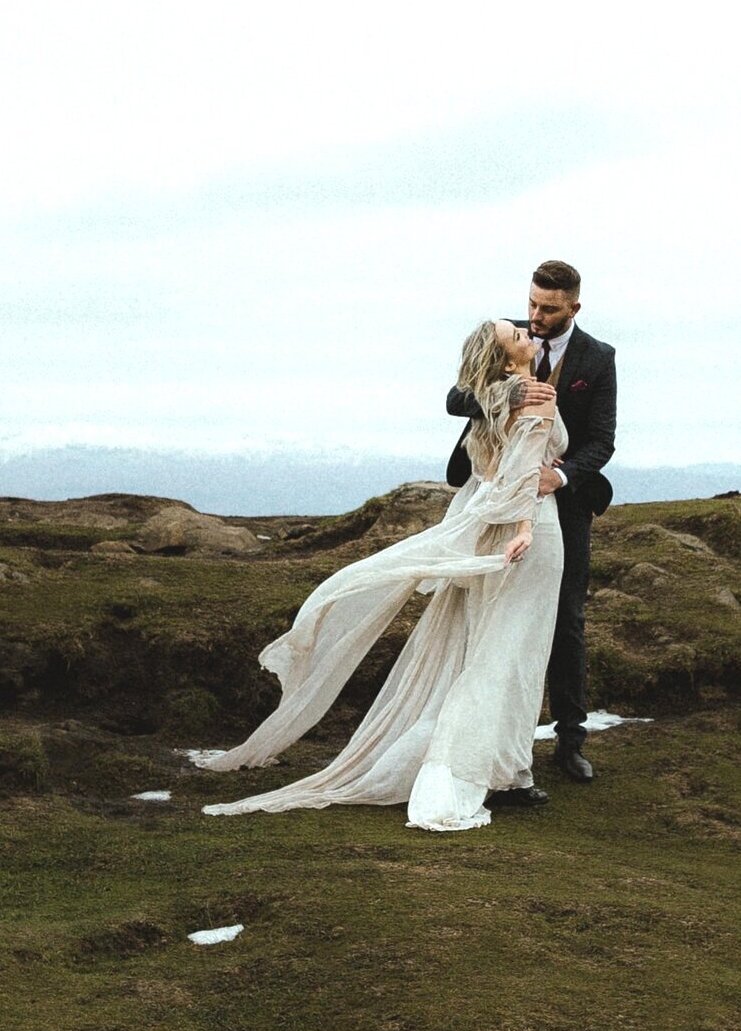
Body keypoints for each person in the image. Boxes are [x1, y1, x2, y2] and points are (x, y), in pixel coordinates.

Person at [187, 321, 565, 832]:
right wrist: (523, 527)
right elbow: (520, 480)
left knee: (492, 650)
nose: (524, 328)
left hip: (493, 532)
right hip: (532, 532)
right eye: (514, 332)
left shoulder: (492, 407)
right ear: (503, 361)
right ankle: (472, 772)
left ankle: (507, 767)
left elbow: (495, 471)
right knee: (509, 654)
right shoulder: (529, 397)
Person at [443, 258, 616, 782]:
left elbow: (601, 442)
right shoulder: (506, 338)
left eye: (549, 309)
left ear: (574, 308)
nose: (536, 317)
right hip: (494, 498)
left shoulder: (598, 358)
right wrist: (505, 394)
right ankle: (474, 735)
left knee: (566, 621)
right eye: (532, 305)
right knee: (486, 614)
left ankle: (569, 742)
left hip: (562, 506)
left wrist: (556, 480)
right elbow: (455, 399)